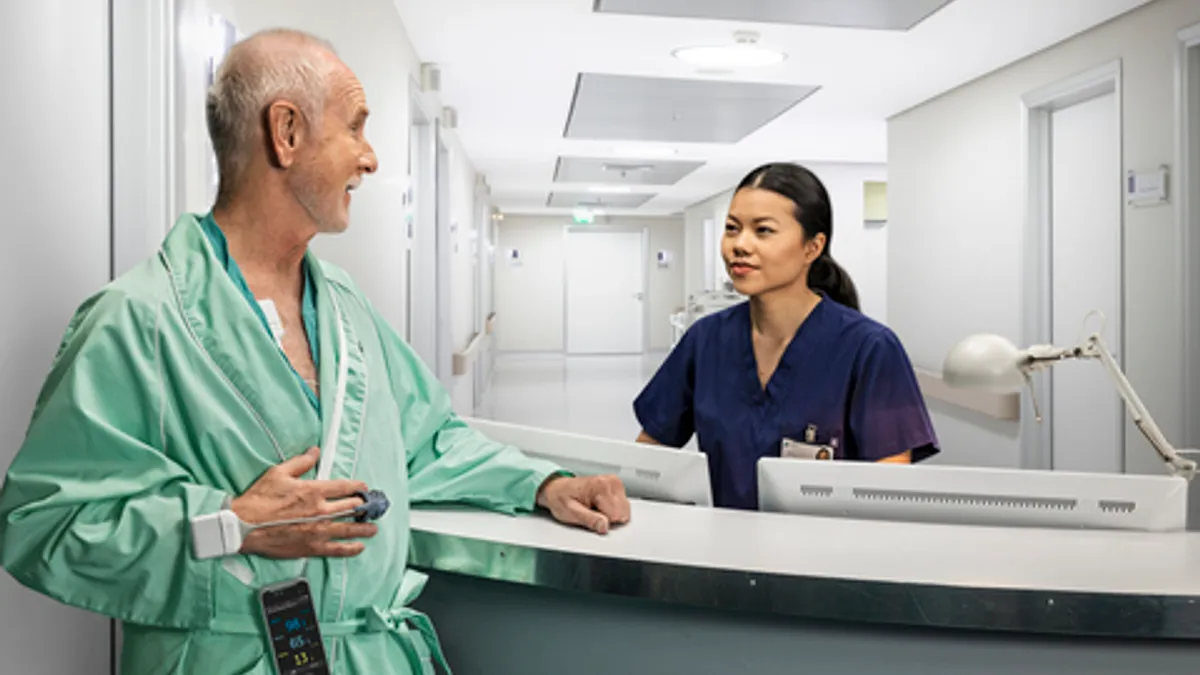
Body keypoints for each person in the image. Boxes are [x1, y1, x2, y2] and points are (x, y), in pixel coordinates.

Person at [0, 29, 629, 675]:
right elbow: (44, 524)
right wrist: (229, 522)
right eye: (356, 127)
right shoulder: (139, 320)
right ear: (287, 132)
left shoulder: (345, 307)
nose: (371, 158)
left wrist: (543, 483)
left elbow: (425, 443)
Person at [634, 163, 938, 510]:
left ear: (812, 247)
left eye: (763, 231)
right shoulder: (706, 341)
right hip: (722, 552)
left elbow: (887, 492)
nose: (740, 245)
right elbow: (649, 458)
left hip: (822, 558)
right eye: (732, 229)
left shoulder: (869, 349)